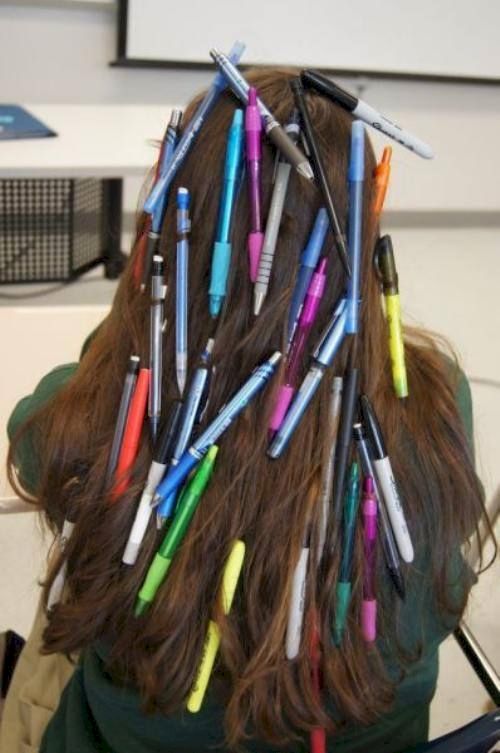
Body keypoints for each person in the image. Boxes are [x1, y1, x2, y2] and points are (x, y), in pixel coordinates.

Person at [3, 68, 491, 753]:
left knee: (75, 594)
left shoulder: (96, 415)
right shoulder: (436, 394)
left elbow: (34, 438)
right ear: (358, 233)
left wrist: (145, 309)